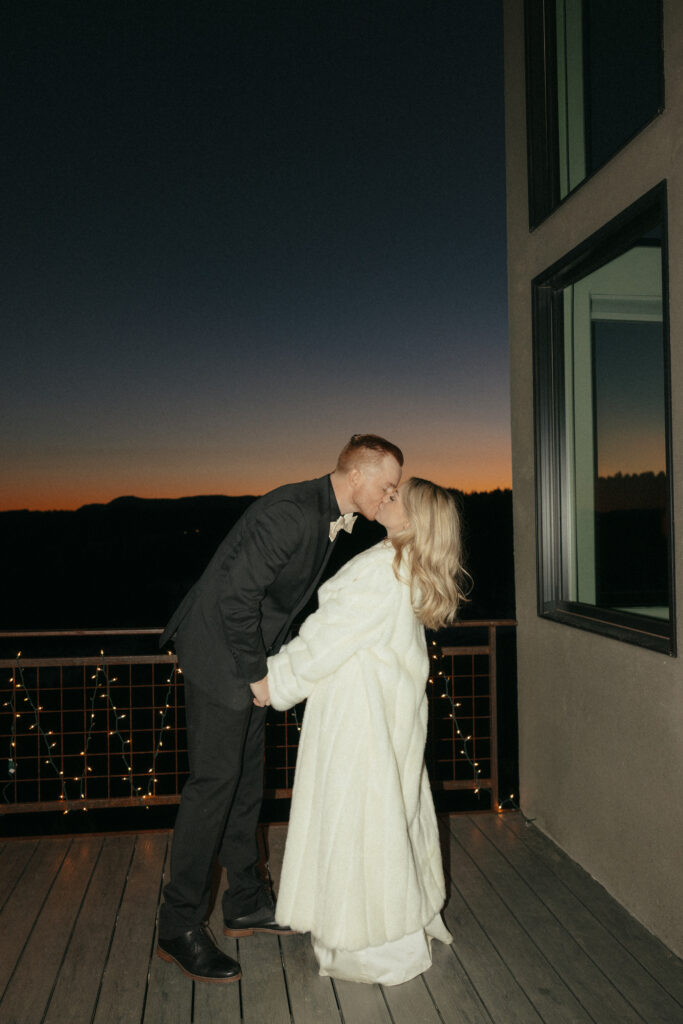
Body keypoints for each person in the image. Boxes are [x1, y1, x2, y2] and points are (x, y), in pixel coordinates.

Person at [155, 434, 403, 983]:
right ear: (356, 475)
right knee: (213, 787)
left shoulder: (325, 513)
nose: (390, 495)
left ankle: (244, 901)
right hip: (223, 655)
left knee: (245, 785)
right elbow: (236, 599)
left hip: (245, 656)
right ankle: (177, 925)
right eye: (386, 484)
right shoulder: (293, 512)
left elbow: (274, 604)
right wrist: (259, 673)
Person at [261, 478, 468, 986]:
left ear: (416, 521)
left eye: (399, 498)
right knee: (388, 812)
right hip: (390, 713)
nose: (389, 496)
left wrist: (273, 682)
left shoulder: (384, 569)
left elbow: (326, 640)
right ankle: (392, 925)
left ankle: (368, 942)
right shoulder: (408, 564)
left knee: (358, 820)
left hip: (361, 719)